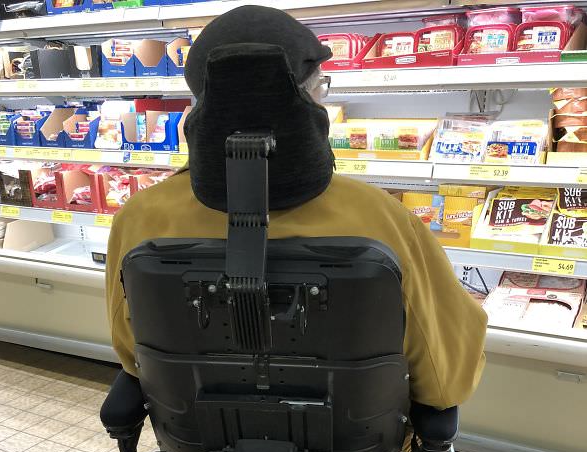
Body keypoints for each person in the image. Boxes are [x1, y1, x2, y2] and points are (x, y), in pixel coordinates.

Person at [106, 5, 487, 411]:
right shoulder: (381, 217)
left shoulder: (140, 216)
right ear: (306, 102)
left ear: (202, 104)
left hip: (196, 446)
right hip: (354, 448)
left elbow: (132, 350)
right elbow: (446, 380)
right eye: (322, 88)